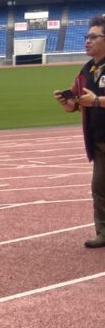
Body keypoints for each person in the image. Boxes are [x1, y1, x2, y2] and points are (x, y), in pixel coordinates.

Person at [55, 13, 105, 248]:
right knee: (99, 189)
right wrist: (69, 104)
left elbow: (94, 101)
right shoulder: (85, 72)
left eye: (93, 37)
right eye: (87, 36)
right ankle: (103, 232)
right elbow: (77, 103)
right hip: (98, 140)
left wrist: (97, 101)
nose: (87, 41)